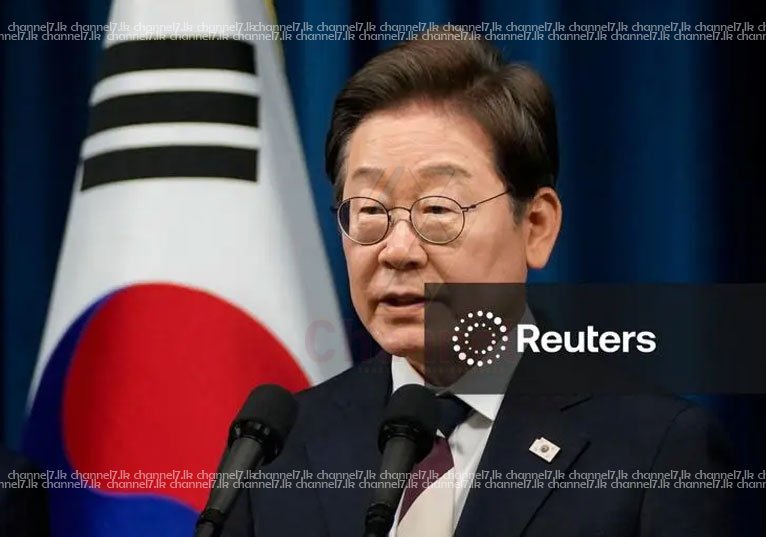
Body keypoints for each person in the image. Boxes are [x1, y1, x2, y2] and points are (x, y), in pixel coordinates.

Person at [224, 31, 735, 536]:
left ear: (536, 226)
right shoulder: (277, 450)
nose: (397, 250)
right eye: (370, 211)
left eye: (438, 209)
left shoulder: (652, 453)